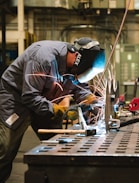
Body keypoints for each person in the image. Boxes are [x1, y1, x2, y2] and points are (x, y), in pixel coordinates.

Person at [0, 37, 103, 182]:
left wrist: (92, 101)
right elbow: (29, 97)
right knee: (5, 149)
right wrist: (59, 110)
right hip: (16, 99)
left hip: (44, 101)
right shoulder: (43, 58)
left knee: (57, 144)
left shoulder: (76, 68)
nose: (77, 76)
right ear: (76, 56)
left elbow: (80, 88)